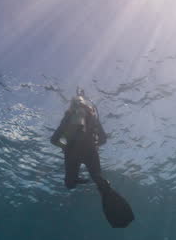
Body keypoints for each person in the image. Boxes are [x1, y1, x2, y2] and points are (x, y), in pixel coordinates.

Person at [51, 89, 134, 228]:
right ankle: (103, 186)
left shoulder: (69, 116)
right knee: (98, 179)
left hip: (71, 151)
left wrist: (66, 146)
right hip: (90, 150)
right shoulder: (92, 116)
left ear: (72, 105)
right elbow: (103, 139)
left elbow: (54, 140)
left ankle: (75, 179)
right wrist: (92, 145)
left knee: (69, 185)